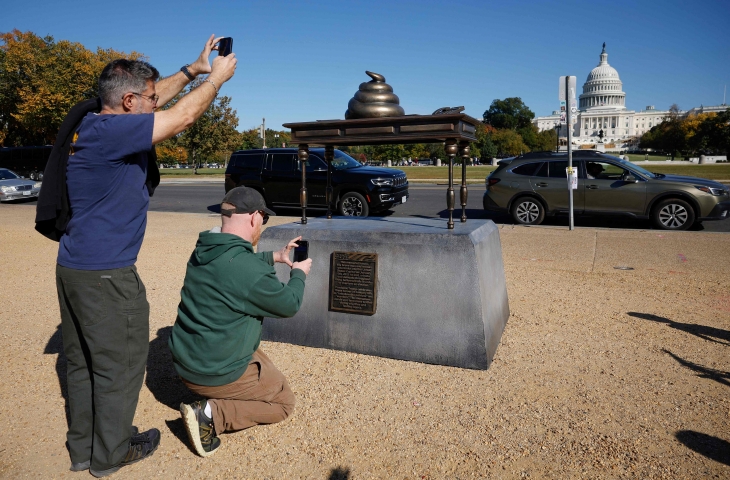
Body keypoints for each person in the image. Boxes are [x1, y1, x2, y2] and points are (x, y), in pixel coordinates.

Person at [54, 36, 237, 477]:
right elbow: (183, 115)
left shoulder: (96, 123)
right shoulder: (113, 133)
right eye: (149, 97)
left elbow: (162, 102)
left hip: (75, 267)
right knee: (121, 365)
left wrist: (192, 71)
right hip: (108, 277)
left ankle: (84, 449)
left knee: (82, 363)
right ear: (129, 100)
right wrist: (216, 80)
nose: (156, 102)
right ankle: (112, 453)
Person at [168, 186, 312, 458]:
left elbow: (233, 265)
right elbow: (289, 304)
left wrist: (275, 257)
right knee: (283, 402)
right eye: (264, 219)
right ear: (255, 217)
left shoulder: (204, 249)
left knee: (264, 362)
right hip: (211, 371)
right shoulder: (247, 269)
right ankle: (212, 415)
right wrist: (299, 274)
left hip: (186, 360)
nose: (262, 224)